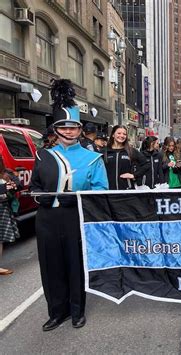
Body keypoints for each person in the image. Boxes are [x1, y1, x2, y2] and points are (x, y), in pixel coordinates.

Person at [30, 78, 108, 331]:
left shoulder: (93, 158)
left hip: (75, 217)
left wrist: (75, 198)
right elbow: (35, 186)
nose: (69, 131)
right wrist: (38, 194)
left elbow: (101, 190)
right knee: (51, 266)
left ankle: (76, 312)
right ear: (55, 129)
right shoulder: (43, 155)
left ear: (80, 130)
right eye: (64, 127)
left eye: (74, 127)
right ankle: (56, 312)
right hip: (47, 219)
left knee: (75, 265)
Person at [104, 125, 150, 190]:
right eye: (119, 133)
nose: (122, 136)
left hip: (127, 191)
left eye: (124, 134)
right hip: (108, 191)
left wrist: (134, 175)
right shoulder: (105, 151)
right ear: (113, 135)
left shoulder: (131, 151)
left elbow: (147, 164)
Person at [0, 156, 22, 275]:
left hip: (2, 209)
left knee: (0, 239)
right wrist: (3, 188)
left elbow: (19, 185)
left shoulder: (6, 173)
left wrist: (13, 186)